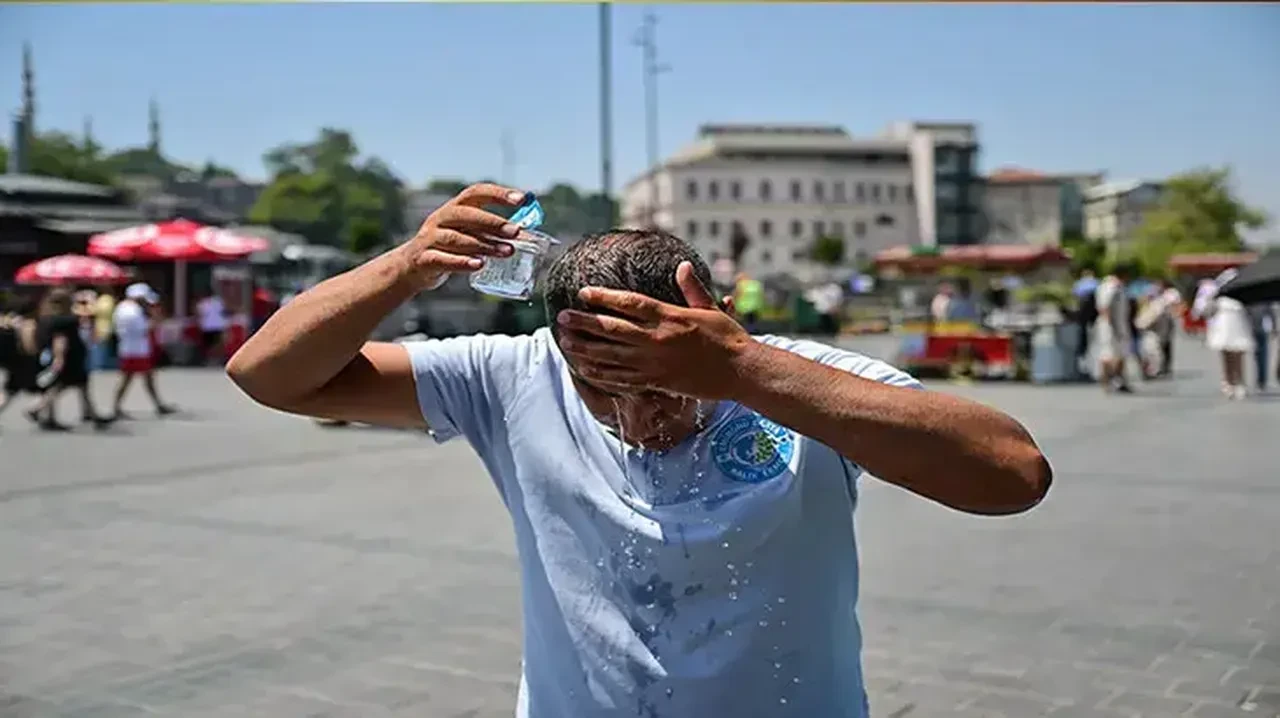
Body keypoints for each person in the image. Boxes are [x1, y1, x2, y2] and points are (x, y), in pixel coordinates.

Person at [227, 184, 1052, 718]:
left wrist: (741, 370)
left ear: (718, 320)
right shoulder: (512, 375)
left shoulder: (798, 379)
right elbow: (268, 374)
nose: (639, 416)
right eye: (604, 390)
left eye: (663, 385)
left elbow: (1013, 474)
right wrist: (403, 268)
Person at [27, 289, 111, 430]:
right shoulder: (66, 321)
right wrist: (59, 358)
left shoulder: (45, 318)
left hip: (55, 356)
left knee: (80, 385)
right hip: (70, 358)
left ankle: (89, 413)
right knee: (61, 386)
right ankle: (37, 408)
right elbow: (60, 340)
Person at [111, 282, 177, 418]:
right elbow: (144, 329)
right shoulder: (132, 312)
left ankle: (157, 404)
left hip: (132, 348)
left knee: (145, 377)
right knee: (129, 378)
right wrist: (156, 319)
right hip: (134, 350)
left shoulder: (123, 308)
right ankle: (116, 407)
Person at [1198, 270, 1254, 400]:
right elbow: (1207, 311)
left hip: (1238, 327)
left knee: (1238, 356)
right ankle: (1228, 382)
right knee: (1226, 356)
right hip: (1223, 328)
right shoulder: (1218, 297)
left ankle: (1239, 382)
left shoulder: (1242, 296)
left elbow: (1249, 312)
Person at [1094, 264, 1135, 394]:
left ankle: (1119, 380)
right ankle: (1107, 382)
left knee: (1121, 353)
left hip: (1117, 324)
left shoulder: (1113, 286)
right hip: (1112, 326)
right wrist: (1113, 326)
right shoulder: (1112, 287)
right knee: (1108, 354)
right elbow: (1105, 308)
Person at [0, 298, 42, 422]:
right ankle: (38, 410)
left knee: (11, 389)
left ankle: (42, 411)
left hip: (8, 360)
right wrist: (35, 354)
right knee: (11, 390)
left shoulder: (7, 320)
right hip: (21, 361)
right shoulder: (27, 323)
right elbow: (28, 346)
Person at [1245, 302, 1277, 393]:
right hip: (1256, 328)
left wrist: (1274, 326)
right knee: (1261, 355)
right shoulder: (1264, 297)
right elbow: (1271, 312)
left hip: (1255, 328)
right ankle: (1261, 381)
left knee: (1260, 355)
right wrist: (1274, 327)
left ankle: (1261, 380)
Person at [196, 290, 228, 364]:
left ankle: (210, 359)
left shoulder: (202, 303)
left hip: (207, 326)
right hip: (218, 325)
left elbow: (199, 314)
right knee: (218, 344)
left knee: (208, 345)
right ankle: (218, 359)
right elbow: (225, 311)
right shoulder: (218, 301)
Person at [92, 284, 118, 371]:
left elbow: (94, 312)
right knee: (106, 347)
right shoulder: (111, 300)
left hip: (100, 326)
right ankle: (105, 364)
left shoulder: (100, 301)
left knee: (100, 348)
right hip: (110, 326)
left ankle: (99, 365)